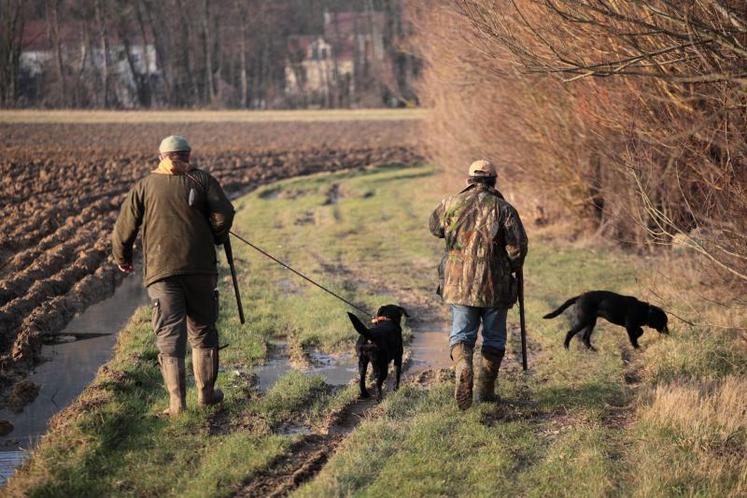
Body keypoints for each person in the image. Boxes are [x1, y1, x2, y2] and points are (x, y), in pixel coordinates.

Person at [112, 135, 235, 416]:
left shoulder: (143, 186)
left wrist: (123, 258)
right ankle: (206, 396)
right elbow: (225, 212)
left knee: (170, 335)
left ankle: (177, 405)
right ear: (188, 155)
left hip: (161, 271)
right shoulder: (201, 180)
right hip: (201, 269)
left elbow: (123, 229)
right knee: (203, 330)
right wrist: (216, 234)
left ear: (161, 157)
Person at [429, 160, 528, 410]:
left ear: (468, 180)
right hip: (495, 286)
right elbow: (517, 249)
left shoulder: (449, 204)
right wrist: (513, 269)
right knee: (494, 338)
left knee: (462, 334)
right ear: (494, 181)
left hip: (458, 284)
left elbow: (435, 228)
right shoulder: (504, 209)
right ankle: (485, 391)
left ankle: (463, 366)